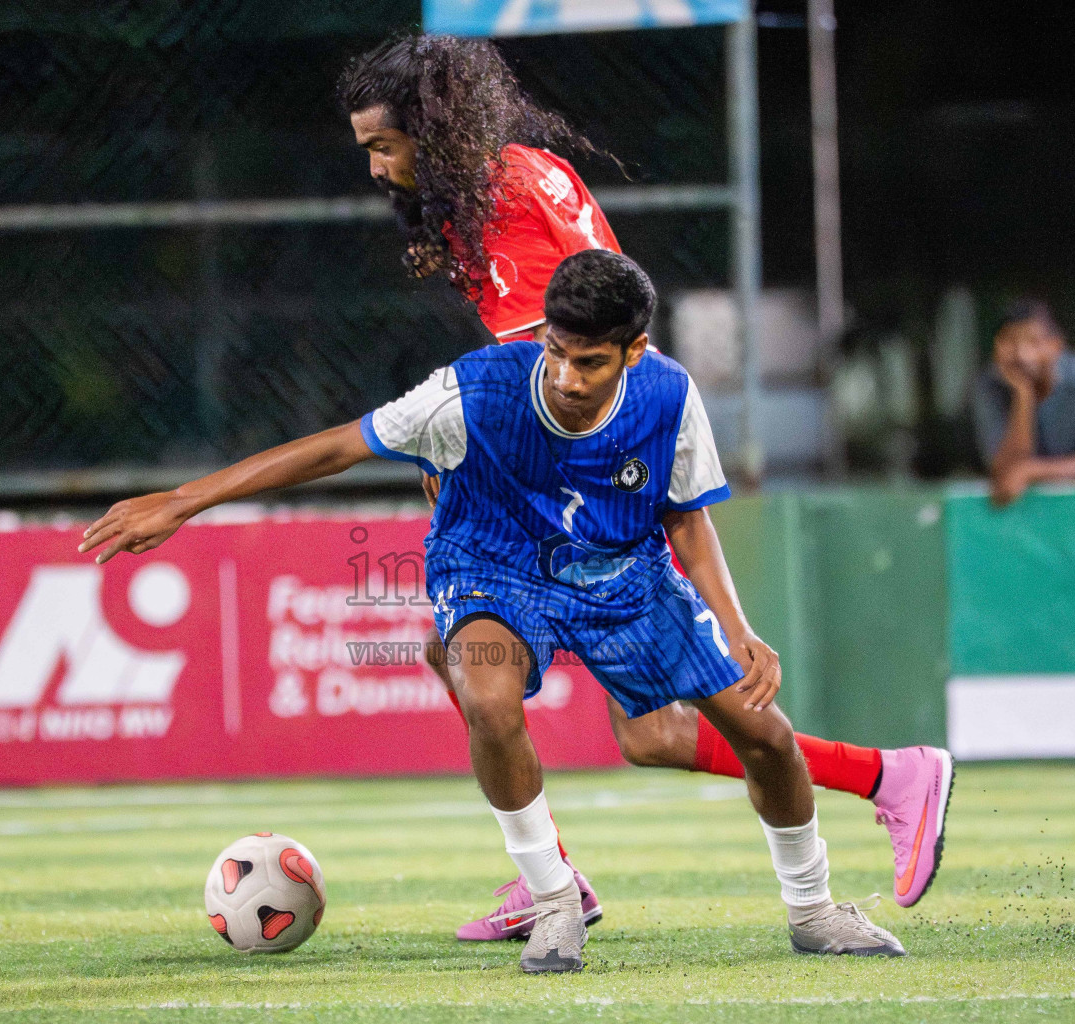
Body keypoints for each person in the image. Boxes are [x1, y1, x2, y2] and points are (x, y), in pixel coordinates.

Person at [80, 250, 908, 971]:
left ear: (634, 351)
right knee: (486, 696)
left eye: (591, 362)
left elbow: (686, 518)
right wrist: (185, 501)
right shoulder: (470, 392)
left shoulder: (668, 396)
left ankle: (813, 912)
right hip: (492, 567)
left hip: (623, 577)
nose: (568, 377)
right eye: (557, 353)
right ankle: (553, 902)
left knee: (766, 736)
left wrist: (739, 627)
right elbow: (337, 446)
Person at [336, 33, 952, 935]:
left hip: (586, 473)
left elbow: (541, 368)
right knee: (650, 733)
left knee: (467, 661)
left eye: (384, 145)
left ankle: (555, 879)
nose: (377, 166)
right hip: (608, 454)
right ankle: (888, 777)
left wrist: (452, 461)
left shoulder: (501, 205)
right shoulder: (520, 175)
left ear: (431, 129)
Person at [973, 299, 1075, 506]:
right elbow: (1005, 473)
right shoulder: (990, 384)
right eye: (1012, 342)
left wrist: (1030, 471)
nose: (1022, 355)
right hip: (1021, 517)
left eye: (1033, 342)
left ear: (1056, 345)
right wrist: (1023, 396)